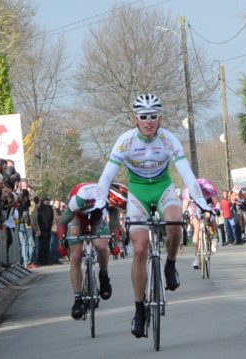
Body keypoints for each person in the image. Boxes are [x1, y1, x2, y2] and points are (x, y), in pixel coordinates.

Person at [93, 93, 211, 338]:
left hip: (163, 188)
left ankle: (170, 266)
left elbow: (187, 175)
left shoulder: (169, 140)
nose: (148, 121)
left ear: (161, 118)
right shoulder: (125, 142)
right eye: (143, 117)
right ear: (134, 119)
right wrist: (98, 203)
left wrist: (201, 202)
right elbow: (106, 177)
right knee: (139, 249)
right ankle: (139, 310)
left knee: (175, 220)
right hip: (137, 193)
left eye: (153, 116)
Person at [57, 182, 127, 320]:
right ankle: (77, 300)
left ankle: (104, 275)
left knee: (101, 246)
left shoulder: (111, 199)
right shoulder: (80, 199)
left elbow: (113, 223)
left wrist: (114, 243)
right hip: (77, 217)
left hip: (97, 217)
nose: (112, 207)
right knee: (76, 254)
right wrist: (61, 241)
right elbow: (62, 222)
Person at [181, 178, 221, 269]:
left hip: (207, 202)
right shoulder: (187, 192)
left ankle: (213, 237)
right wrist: (185, 213)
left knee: (210, 216)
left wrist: (217, 210)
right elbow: (184, 208)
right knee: (196, 227)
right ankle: (197, 257)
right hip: (195, 204)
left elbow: (217, 203)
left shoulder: (209, 189)